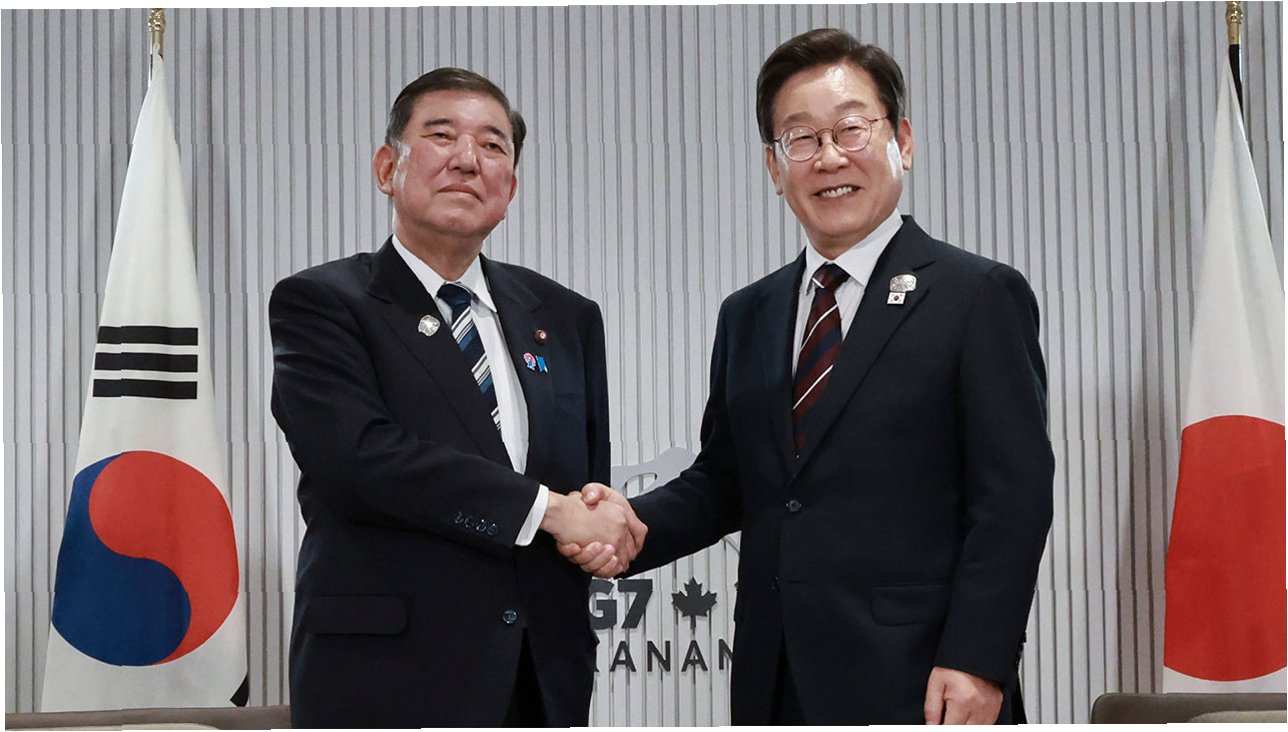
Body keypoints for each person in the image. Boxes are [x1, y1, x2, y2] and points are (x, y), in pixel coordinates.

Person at [564, 29, 1054, 725]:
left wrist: (978, 658)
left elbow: (1014, 499)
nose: (828, 157)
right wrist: (630, 525)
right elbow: (726, 482)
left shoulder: (976, 296)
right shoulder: (749, 313)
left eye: (851, 129)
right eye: (801, 138)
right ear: (774, 165)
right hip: (775, 679)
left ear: (902, 140)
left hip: (923, 679)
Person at [269, 67, 644, 728]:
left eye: (493, 146)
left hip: (541, 677)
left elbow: (582, 482)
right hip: (385, 677)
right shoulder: (324, 302)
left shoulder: (565, 315)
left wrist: (598, 528)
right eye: (442, 136)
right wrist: (548, 511)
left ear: (510, 188)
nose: (468, 159)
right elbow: (359, 459)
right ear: (388, 168)